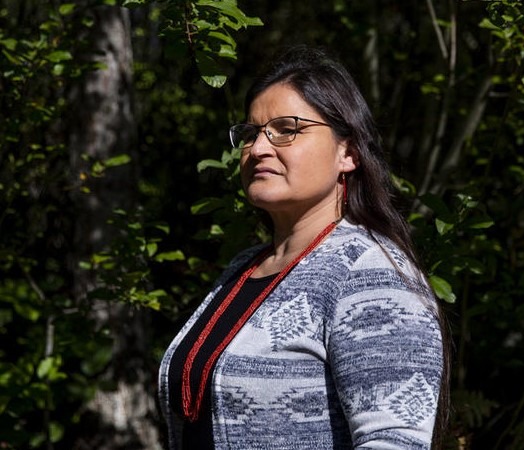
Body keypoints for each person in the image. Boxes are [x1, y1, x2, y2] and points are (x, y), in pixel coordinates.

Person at [158, 45, 449, 450]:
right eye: (251, 133)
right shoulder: (243, 270)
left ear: (347, 152)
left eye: (287, 129)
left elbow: (394, 442)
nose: (258, 148)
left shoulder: (370, 275)